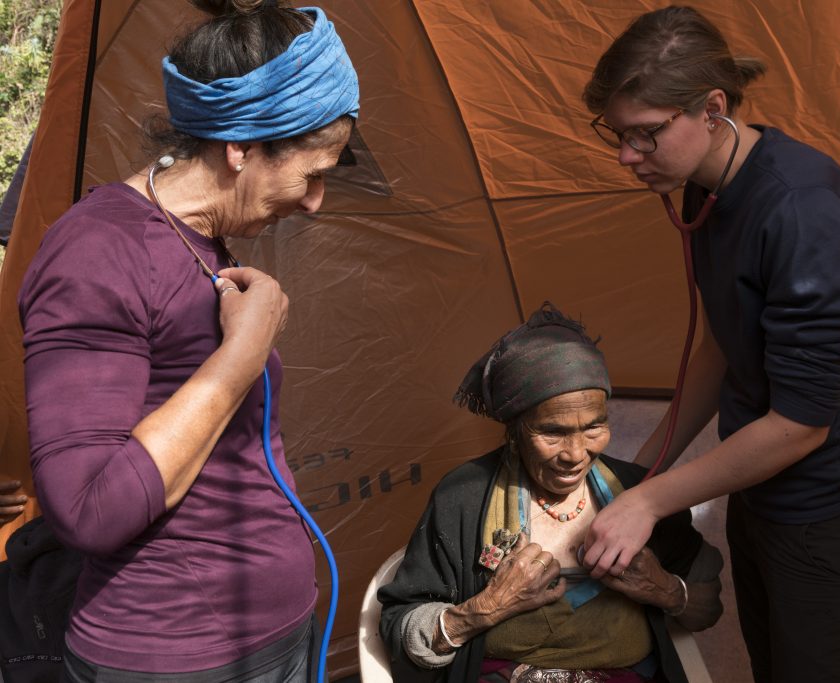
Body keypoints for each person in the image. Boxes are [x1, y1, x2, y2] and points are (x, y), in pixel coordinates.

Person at [579, 7, 840, 683]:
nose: (626, 157)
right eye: (617, 135)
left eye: (645, 136)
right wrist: (635, 475)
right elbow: (719, 349)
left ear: (712, 108)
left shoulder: (801, 213)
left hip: (837, 515)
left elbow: (799, 427)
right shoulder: (708, 188)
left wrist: (650, 502)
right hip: (761, 499)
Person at [17, 0, 359, 679]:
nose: (317, 200)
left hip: (273, 633)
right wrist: (242, 355)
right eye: (311, 173)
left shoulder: (198, 237)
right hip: (175, 654)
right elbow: (88, 507)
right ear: (239, 148)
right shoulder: (97, 250)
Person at [378, 303, 724, 683]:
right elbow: (400, 629)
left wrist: (666, 590)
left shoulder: (640, 494)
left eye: (594, 427)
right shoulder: (464, 497)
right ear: (515, 429)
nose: (576, 455)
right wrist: (485, 609)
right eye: (553, 432)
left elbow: (707, 609)